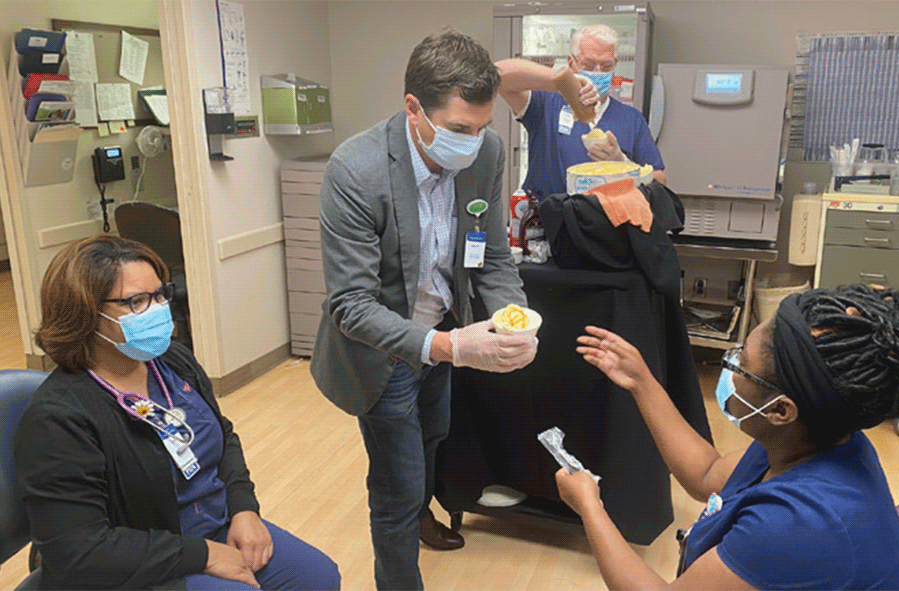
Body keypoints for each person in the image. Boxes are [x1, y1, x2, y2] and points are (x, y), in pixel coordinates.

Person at [308, 29, 538, 591]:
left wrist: (516, 317)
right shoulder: (356, 169)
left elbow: (493, 256)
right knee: (396, 485)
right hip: (381, 354)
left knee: (433, 439)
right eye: (459, 129)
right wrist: (451, 347)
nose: (474, 142)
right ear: (413, 108)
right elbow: (351, 306)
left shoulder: (485, 153)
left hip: (442, 334)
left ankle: (420, 512)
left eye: (482, 127)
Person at [561, 284, 899, 590]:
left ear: (781, 410)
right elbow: (706, 474)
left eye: (740, 363)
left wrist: (590, 507)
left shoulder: (799, 526)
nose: (728, 368)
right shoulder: (817, 438)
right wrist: (641, 381)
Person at [15, 236, 341, 591]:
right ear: (86, 314)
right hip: (141, 561)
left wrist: (244, 508)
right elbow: (78, 550)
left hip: (213, 525)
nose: (158, 309)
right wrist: (205, 555)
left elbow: (222, 436)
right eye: (137, 301)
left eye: (160, 295)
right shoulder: (58, 417)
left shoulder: (171, 362)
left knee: (317, 577)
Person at [496, 24, 667, 200]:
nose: (597, 73)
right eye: (589, 65)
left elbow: (659, 181)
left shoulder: (631, 119)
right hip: (551, 214)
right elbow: (498, 74)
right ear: (572, 63)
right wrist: (562, 81)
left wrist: (623, 164)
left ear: (615, 64)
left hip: (607, 216)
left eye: (606, 66)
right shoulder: (546, 104)